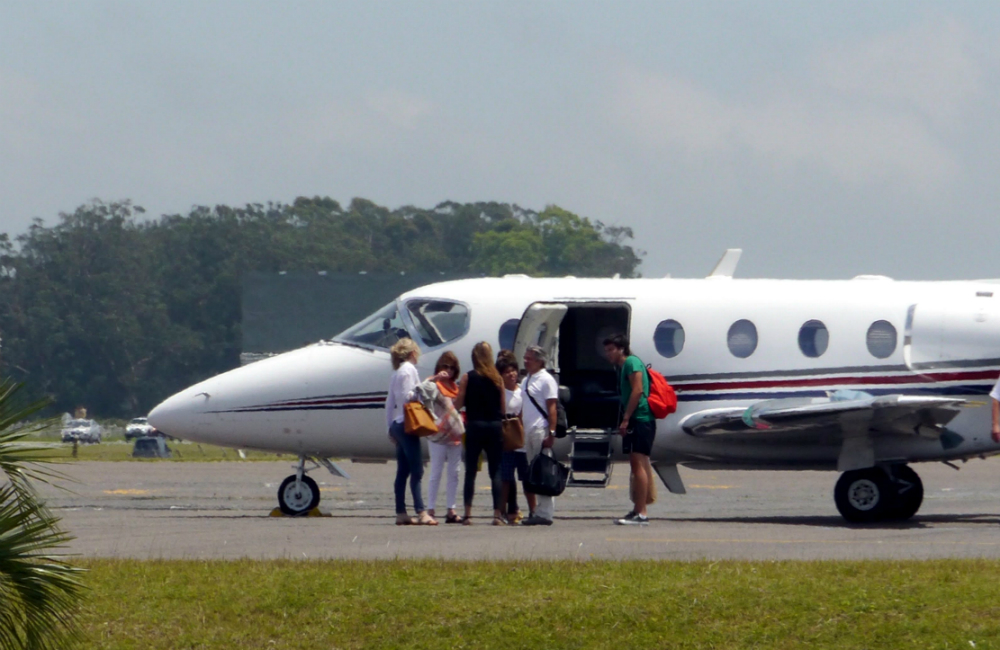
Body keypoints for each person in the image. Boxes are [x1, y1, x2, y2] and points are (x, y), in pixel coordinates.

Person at [385, 338, 440, 526]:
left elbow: (389, 402)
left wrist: (389, 427)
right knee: (417, 470)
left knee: (403, 470)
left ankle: (400, 511)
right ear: (412, 353)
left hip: (397, 424)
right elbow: (410, 397)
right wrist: (425, 384)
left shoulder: (397, 373)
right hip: (408, 424)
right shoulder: (409, 370)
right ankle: (421, 511)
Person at [603, 333, 655, 526]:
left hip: (640, 419)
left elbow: (638, 390)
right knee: (635, 464)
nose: (608, 354)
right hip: (635, 419)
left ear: (621, 349)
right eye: (606, 350)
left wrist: (626, 418)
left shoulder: (631, 363)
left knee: (639, 464)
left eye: (611, 350)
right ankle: (637, 509)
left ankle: (641, 512)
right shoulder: (624, 366)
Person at [454, 341, 506, 525]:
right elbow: (503, 407)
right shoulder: (498, 378)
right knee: (496, 471)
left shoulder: (468, 377)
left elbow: (458, 403)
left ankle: (468, 514)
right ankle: (497, 515)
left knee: (471, 471)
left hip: (475, 425)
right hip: (494, 425)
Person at [520, 345, 559, 526]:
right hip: (528, 431)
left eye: (530, 358)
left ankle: (546, 513)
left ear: (540, 361)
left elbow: (552, 408)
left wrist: (551, 432)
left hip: (540, 430)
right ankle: (538, 511)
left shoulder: (546, 380)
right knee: (534, 472)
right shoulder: (526, 380)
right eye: (526, 358)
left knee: (543, 472)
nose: (526, 361)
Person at [425, 351, 464, 524]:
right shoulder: (433, 384)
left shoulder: (456, 388)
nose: (447, 370)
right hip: (437, 433)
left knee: (454, 472)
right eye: (444, 366)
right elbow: (420, 390)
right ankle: (431, 508)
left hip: (454, 434)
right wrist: (435, 378)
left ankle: (451, 509)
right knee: (436, 471)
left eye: (451, 367)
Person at [497, 350, 532, 525]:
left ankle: (533, 511)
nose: (511, 374)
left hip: (522, 440)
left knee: (527, 478)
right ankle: (501, 512)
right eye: (506, 372)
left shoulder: (523, 390)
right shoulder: (500, 392)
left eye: (513, 370)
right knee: (506, 478)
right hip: (508, 440)